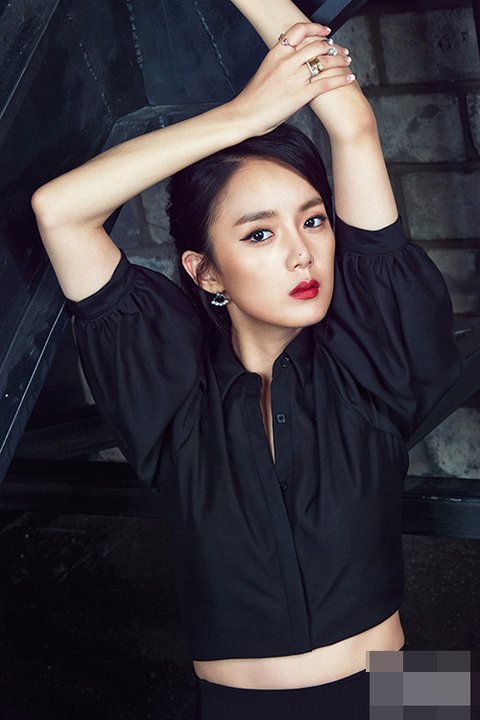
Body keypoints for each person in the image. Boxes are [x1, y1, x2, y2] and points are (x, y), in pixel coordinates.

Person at [31, 1, 463, 717]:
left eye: (313, 219)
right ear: (206, 272)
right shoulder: (170, 393)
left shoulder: (369, 363)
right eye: (259, 235)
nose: (302, 252)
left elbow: (352, 126)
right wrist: (243, 116)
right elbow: (60, 211)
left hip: (400, 694)